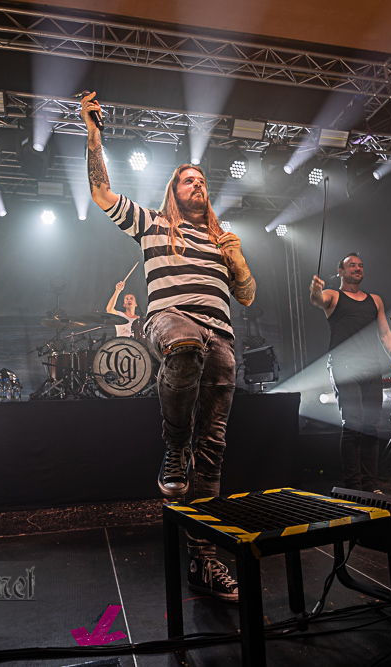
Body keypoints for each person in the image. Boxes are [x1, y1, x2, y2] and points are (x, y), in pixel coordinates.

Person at [82, 91, 256, 602]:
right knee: (183, 344)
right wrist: (93, 136)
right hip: (171, 319)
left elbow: (247, 294)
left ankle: (204, 560)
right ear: (173, 192)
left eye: (202, 180)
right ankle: (174, 446)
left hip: (221, 335)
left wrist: (237, 259)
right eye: (188, 180)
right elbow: (101, 193)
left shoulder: (221, 239)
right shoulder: (153, 224)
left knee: (214, 448)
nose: (197, 184)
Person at [309, 253, 391, 494]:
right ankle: (353, 486)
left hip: (371, 367)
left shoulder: (375, 300)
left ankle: (371, 486)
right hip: (344, 367)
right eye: (351, 265)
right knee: (353, 425)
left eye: (360, 265)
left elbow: (385, 333)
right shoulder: (334, 296)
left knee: (372, 426)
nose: (357, 268)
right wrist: (315, 290)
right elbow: (318, 301)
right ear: (340, 272)